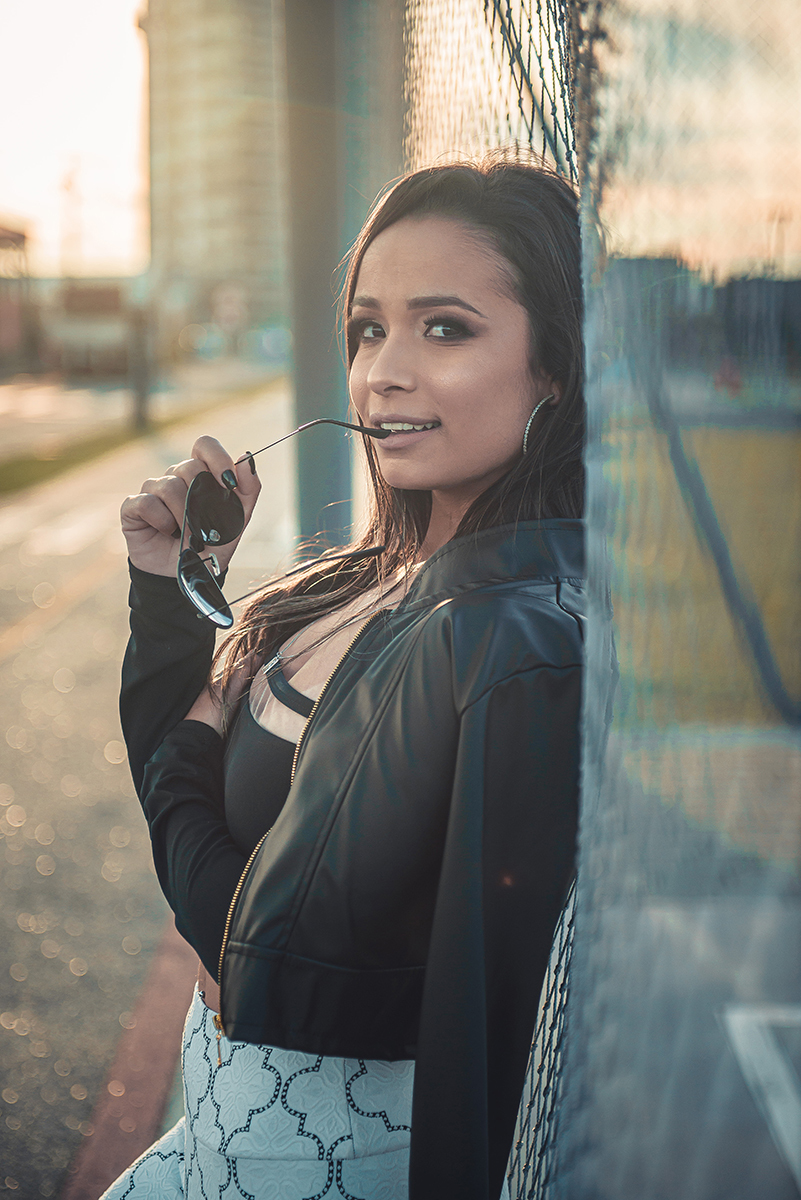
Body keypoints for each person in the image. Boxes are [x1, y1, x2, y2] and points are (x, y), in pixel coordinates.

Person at [107, 155, 585, 1200]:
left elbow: (259, 957)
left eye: (444, 328)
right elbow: (179, 780)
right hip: (221, 1114)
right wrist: (174, 585)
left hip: (323, 1164)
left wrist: (188, 749)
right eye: (370, 328)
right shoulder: (369, 578)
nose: (383, 372)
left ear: (552, 365)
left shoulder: (497, 634)